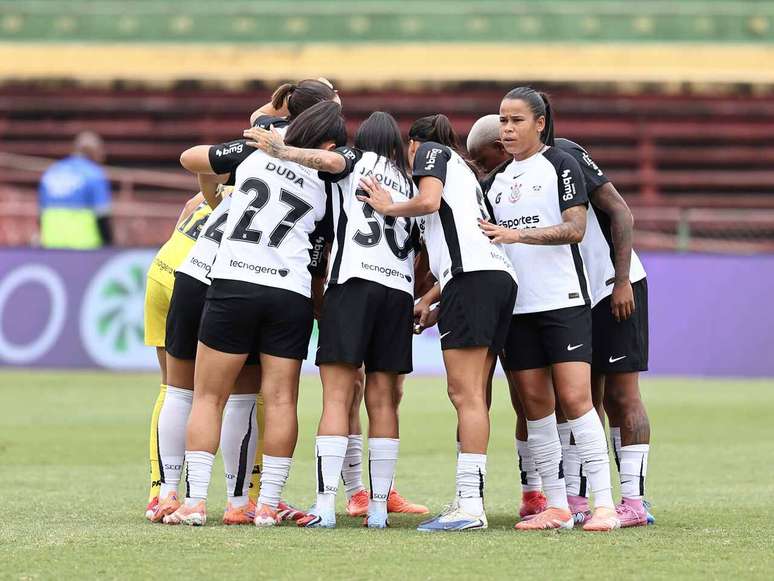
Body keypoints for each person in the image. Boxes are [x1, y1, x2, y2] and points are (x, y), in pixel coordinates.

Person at [163, 101, 347, 527]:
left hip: (234, 284)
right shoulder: (329, 181)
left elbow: (198, 162)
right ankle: (266, 504)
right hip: (290, 291)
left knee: (209, 397)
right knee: (281, 399)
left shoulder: (257, 149)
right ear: (330, 144)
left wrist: (210, 194)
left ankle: (193, 503)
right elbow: (320, 255)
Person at [468, 114, 654, 527]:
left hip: (610, 285)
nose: (483, 171)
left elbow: (620, 212)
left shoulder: (564, 155)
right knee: (578, 396)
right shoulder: (503, 183)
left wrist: (621, 279)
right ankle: (573, 497)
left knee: (621, 395)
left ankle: (633, 501)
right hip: (570, 293)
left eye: (482, 161)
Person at [245, 111, 420, 528]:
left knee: (337, 397)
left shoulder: (356, 159)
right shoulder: (411, 184)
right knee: (383, 401)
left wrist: (281, 150)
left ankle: (324, 506)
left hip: (354, 284)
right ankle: (378, 508)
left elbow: (330, 163)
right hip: (398, 290)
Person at [359, 114, 518, 532]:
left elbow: (428, 202)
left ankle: (469, 506)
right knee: (476, 395)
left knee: (463, 393)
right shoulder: (464, 170)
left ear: (413, 145)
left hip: (473, 281)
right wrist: (432, 299)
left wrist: (387, 206)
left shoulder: (430, 153)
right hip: (496, 279)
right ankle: (470, 500)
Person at [38, 131, 113, 249]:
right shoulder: (94, 174)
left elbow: (41, 213)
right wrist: (109, 245)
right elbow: (102, 216)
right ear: (93, 151)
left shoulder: (52, 171)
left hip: (51, 244)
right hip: (84, 246)